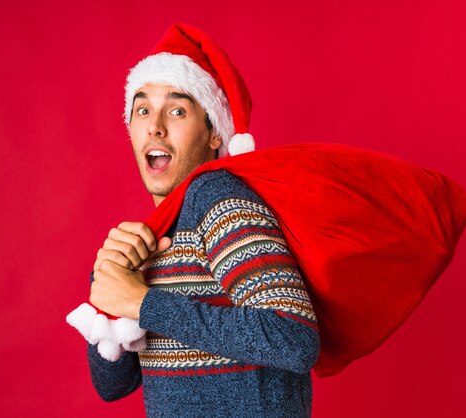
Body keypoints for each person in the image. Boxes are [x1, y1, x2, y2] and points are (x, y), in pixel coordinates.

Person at [86, 23, 320, 417]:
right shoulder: (161, 230)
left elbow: (293, 338)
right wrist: (110, 282)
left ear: (214, 133)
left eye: (177, 110)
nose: (155, 125)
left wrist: (142, 302)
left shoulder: (217, 199)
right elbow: (113, 386)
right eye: (142, 109)